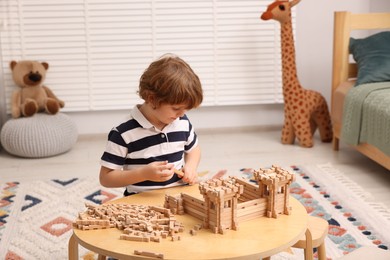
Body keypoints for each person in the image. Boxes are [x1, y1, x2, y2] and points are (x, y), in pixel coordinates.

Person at [99, 54, 203, 196]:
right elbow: (106, 178)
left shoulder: (182, 122)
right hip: (141, 205)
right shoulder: (123, 132)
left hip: (178, 197)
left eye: (185, 110)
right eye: (176, 108)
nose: (181, 114)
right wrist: (143, 174)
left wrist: (190, 167)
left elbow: (194, 149)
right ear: (152, 99)